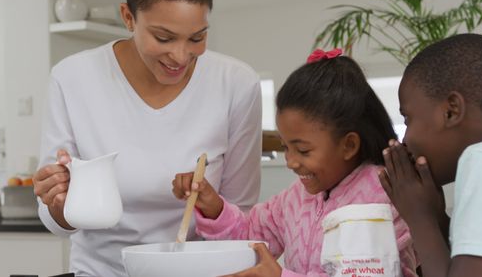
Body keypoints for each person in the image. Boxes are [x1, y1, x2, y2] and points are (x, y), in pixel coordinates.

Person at [33, 0, 262, 277]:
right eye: (164, 37)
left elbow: (242, 216)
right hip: (102, 272)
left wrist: (211, 205)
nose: (181, 57)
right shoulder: (71, 79)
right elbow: (58, 222)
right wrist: (57, 202)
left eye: (197, 38)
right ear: (128, 17)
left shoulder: (237, 84)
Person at [173, 49, 419, 277]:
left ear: (348, 145)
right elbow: (250, 239)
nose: (290, 162)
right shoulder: (294, 199)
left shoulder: (384, 196)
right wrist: (213, 206)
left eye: (302, 150)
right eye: (285, 147)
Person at [379, 33, 482, 277]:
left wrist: (420, 219)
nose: (405, 140)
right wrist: (436, 217)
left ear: (451, 111)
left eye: (408, 119)